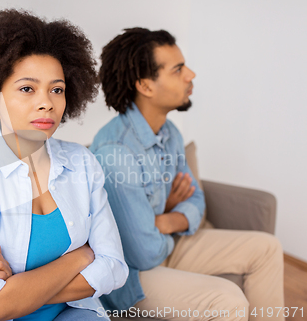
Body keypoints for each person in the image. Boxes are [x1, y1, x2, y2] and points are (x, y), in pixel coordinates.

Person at [0, 9, 128, 321]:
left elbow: (114, 268)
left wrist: (16, 288)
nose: (47, 103)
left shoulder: (81, 162)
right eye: (27, 88)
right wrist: (79, 257)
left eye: (57, 89)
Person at [89, 27, 284, 321]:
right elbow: (143, 253)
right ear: (145, 85)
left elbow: (197, 199)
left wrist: (163, 221)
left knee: (267, 247)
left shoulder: (170, 133)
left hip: (165, 245)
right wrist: (169, 224)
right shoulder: (115, 153)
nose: (190, 74)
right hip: (131, 275)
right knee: (227, 300)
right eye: (178, 69)